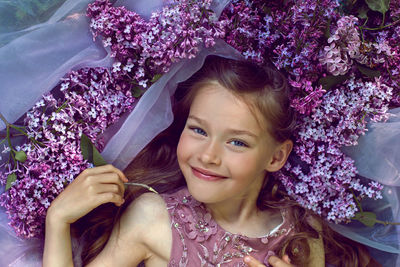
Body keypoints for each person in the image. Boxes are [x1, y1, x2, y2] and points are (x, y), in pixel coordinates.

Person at [43, 55, 380, 267]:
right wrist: (57, 221)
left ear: (276, 156)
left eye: (237, 141)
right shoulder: (152, 218)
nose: (207, 155)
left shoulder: (303, 236)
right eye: (199, 130)